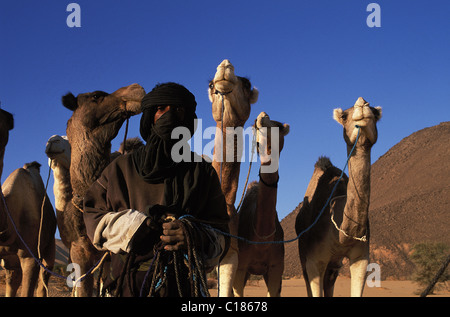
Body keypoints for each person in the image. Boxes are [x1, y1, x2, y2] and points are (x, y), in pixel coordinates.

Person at [83, 82, 230, 297]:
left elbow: (222, 236)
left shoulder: (202, 172)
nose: (169, 118)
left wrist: (193, 236)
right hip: (128, 287)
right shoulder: (119, 170)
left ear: (187, 119)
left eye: (178, 111)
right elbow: (92, 218)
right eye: (161, 110)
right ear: (150, 116)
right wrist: (134, 226)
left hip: (185, 288)